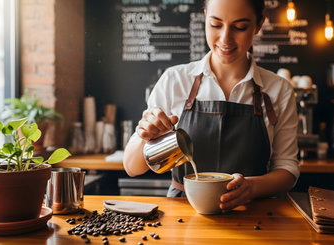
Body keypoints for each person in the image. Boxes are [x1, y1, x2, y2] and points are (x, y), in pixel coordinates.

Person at [124, 0, 299, 211]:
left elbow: (287, 169)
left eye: (240, 27)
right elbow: (131, 167)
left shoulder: (278, 90)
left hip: (252, 216)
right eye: (216, 24)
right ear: (205, 17)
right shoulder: (175, 81)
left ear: (259, 24)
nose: (225, 39)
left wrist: (251, 188)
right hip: (182, 213)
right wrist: (146, 137)